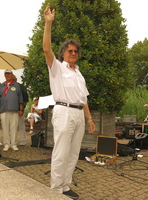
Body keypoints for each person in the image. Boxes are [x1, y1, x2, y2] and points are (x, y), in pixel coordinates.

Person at [43, 4, 95, 199]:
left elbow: (84, 98)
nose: (73, 53)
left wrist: (89, 118)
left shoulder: (79, 73)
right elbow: (46, 49)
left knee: (73, 153)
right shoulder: (57, 68)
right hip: (63, 112)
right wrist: (48, 24)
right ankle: (55, 190)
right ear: (63, 53)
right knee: (61, 152)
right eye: (70, 51)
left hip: (78, 114)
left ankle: (65, 186)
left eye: (75, 51)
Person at [0, 69, 24, 151]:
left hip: (14, 109)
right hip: (4, 109)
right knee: (5, 128)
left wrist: (21, 109)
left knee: (14, 127)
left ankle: (14, 144)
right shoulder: (1, 86)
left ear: (12, 75)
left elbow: (20, 98)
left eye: (9, 74)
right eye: (6, 74)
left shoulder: (16, 85)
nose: (7, 75)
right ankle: (6, 144)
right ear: (4, 75)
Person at [12, 74, 29, 146]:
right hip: (11, 109)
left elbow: (25, 98)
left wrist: (23, 108)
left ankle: (23, 140)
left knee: (21, 125)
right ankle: (13, 141)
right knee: (12, 126)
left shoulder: (21, 87)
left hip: (19, 109)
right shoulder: (9, 87)